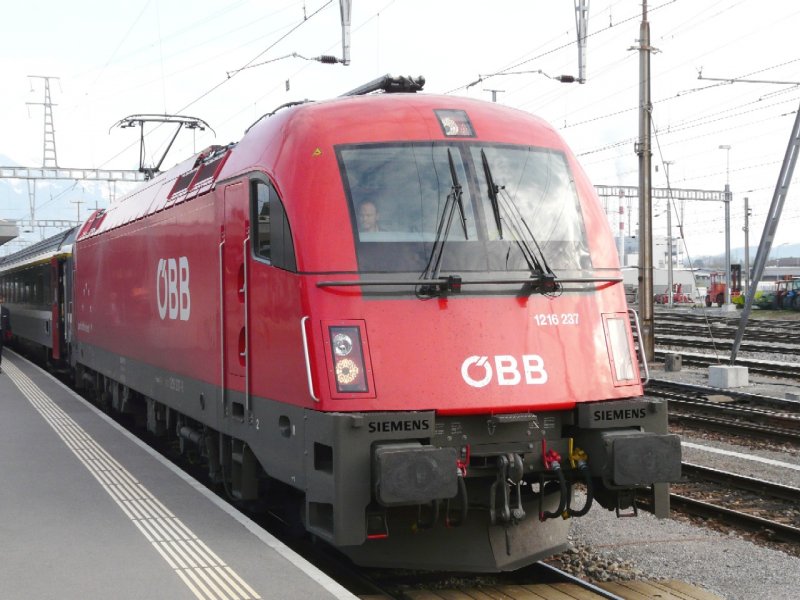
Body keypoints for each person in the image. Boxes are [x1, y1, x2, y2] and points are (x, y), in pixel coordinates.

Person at [0, 294, 9, 373]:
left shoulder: (5, 310)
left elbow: (8, 324)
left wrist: (8, 333)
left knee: (0, 350)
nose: (2, 300)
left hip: (1, 332)